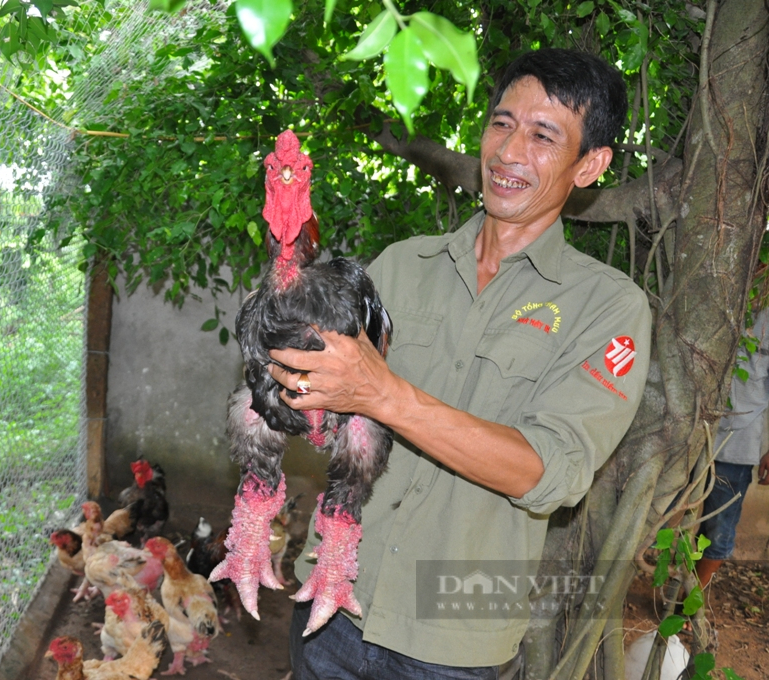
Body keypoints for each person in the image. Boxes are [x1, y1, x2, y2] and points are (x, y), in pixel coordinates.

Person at [266, 48, 653, 679]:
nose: (508, 151)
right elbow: (332, 415)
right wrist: (292, 376)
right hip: (332, 600)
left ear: (591, 165)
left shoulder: (608, 309)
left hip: (452, 637)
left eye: (542, 135)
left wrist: (383, 394)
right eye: (501, 123)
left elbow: (549, 472)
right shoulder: (401, 265)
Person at [696, 302, 769, 588]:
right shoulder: (701, 296)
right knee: (658, 517)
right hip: (683, 437)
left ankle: (686, 604)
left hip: (736, 444)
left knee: (718, 533)